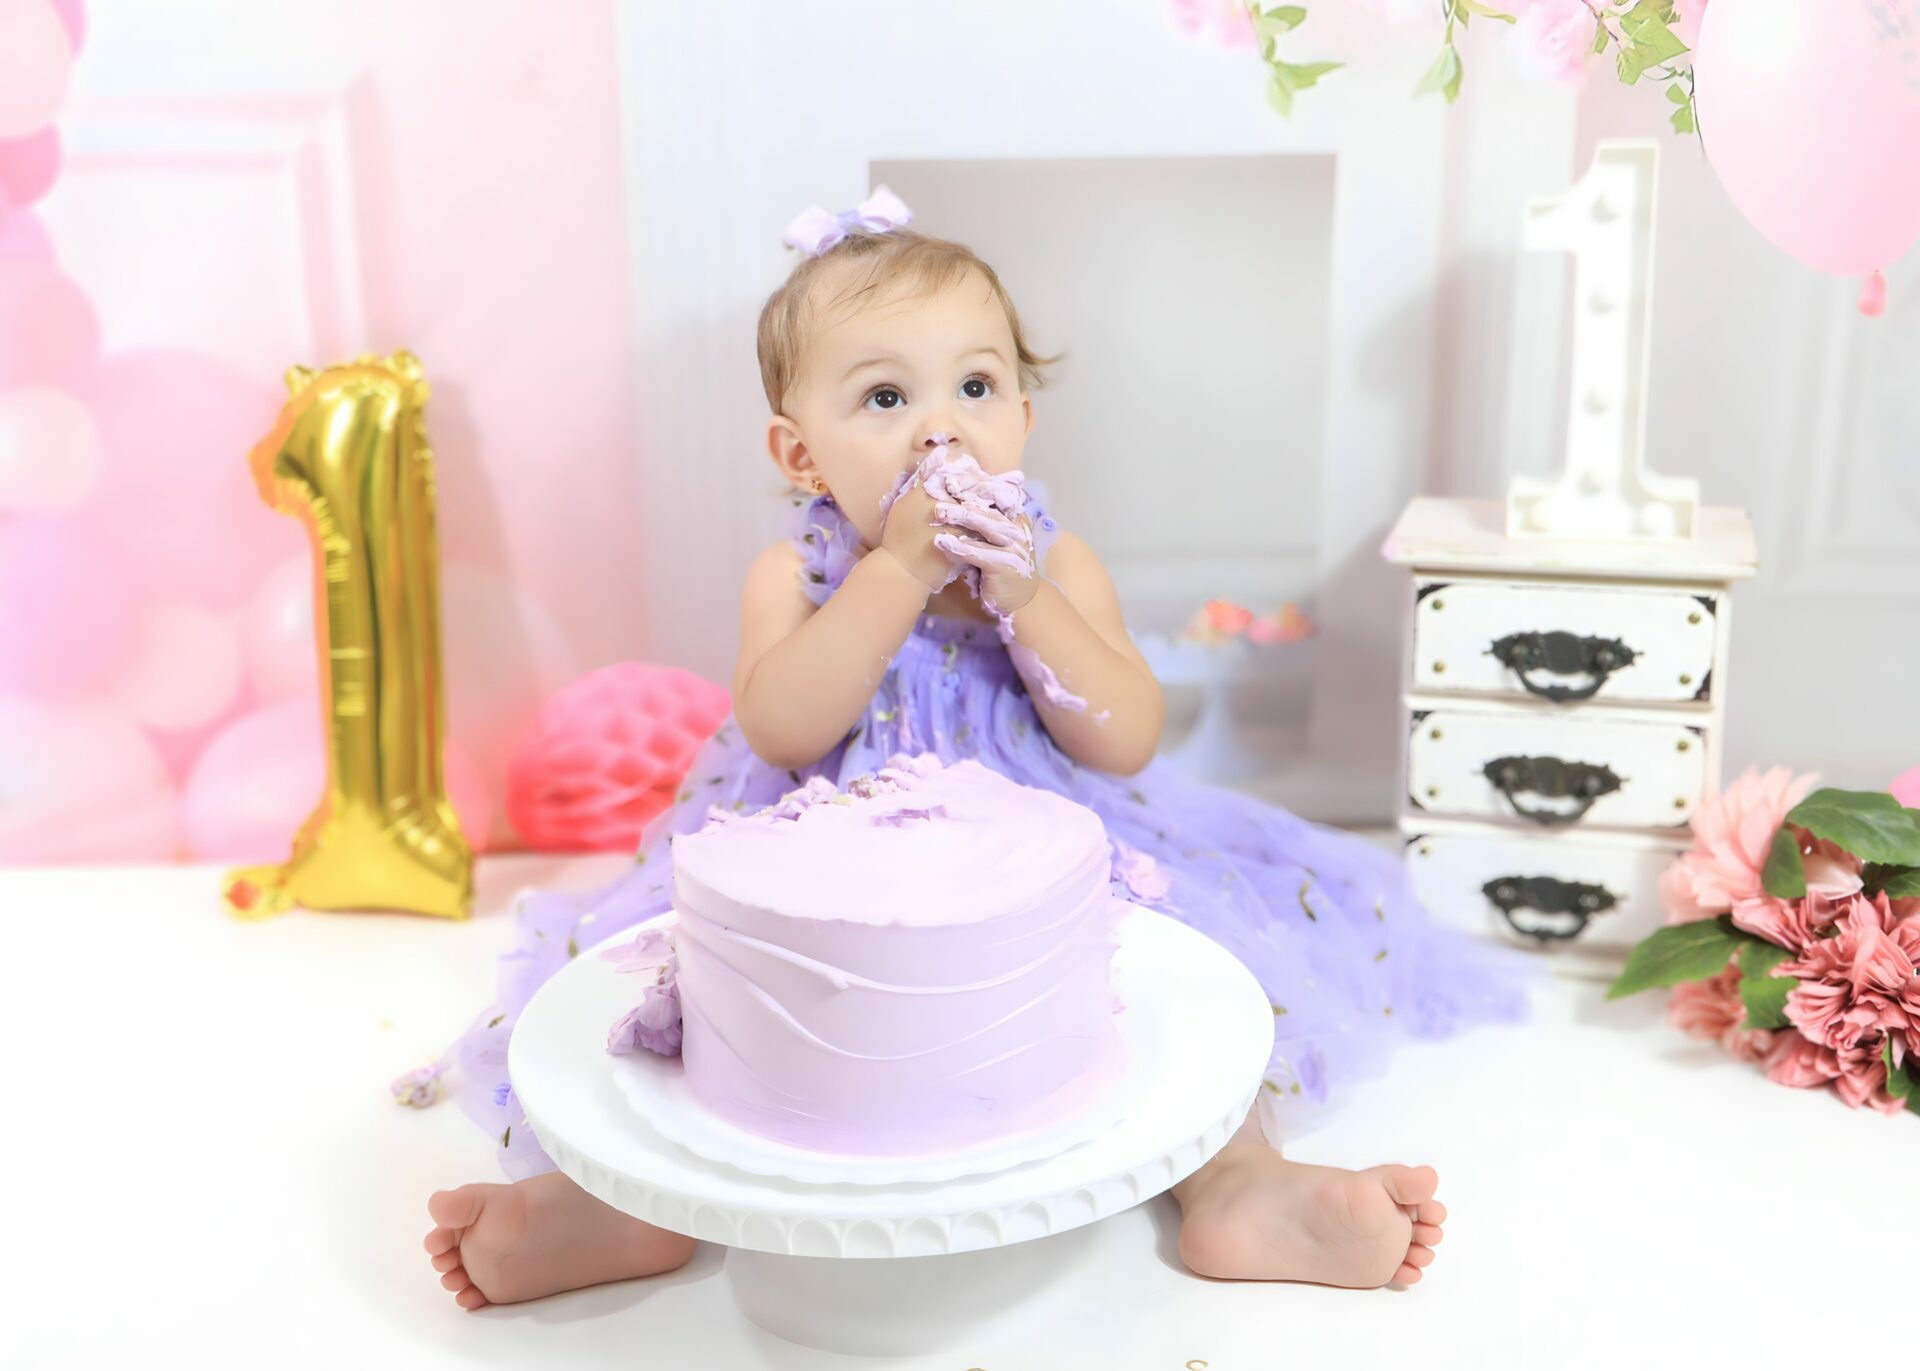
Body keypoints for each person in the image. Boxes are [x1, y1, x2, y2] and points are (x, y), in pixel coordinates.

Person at [421, 189, 1529, 1310]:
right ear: (802, 456)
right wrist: (896, 575)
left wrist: (1025, 599)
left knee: (1166, 974)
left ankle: (1239, 1184)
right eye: (886, 396)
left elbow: (1125, 740)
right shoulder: (796, 575)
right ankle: (623, 1206)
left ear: (1024, 421)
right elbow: (784, 726)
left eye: (977, 386)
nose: (939, 429)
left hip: (1048, 848)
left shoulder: (1058, 564)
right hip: (824, 857)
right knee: (704, 1000)